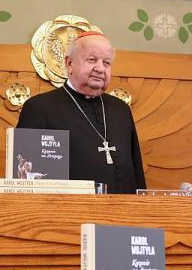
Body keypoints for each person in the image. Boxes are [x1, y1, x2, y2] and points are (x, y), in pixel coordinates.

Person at [17, 31, 146, 193]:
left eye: (107, 63)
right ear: (69, 63)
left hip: (123, 214)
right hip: (67, 214)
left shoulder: (121, 110)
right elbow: (29, 180)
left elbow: (136, 173)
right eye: (92, 60)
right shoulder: (39, 109)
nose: (100, 68)